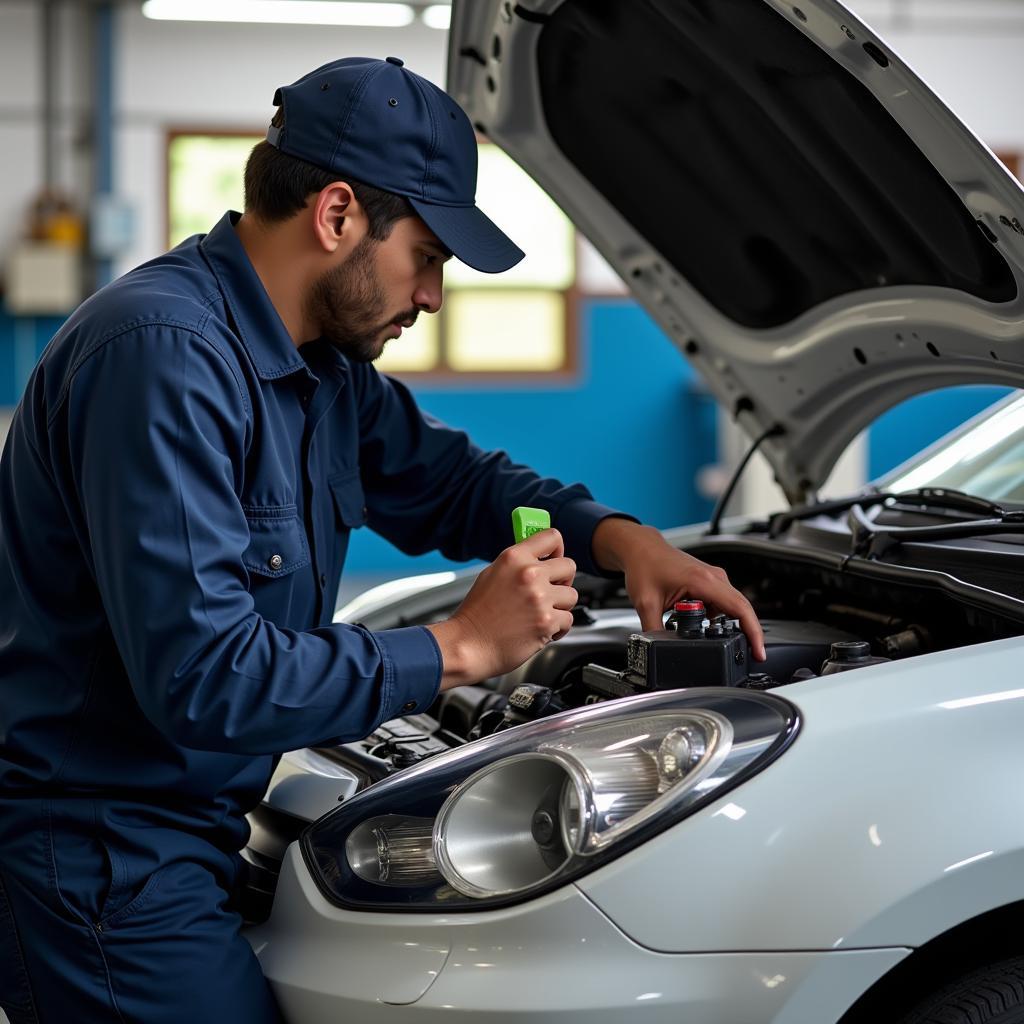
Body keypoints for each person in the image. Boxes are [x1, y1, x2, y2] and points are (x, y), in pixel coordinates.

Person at [0, 56, 764, 1023]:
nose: (435, 297)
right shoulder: (162, 357)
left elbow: (454, 480)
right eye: (430, 257)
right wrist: (459, 649)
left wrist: (623, 540)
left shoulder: (320, 371)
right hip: (104, 856)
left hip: (189, 830)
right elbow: (204, 676)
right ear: (336, 216)